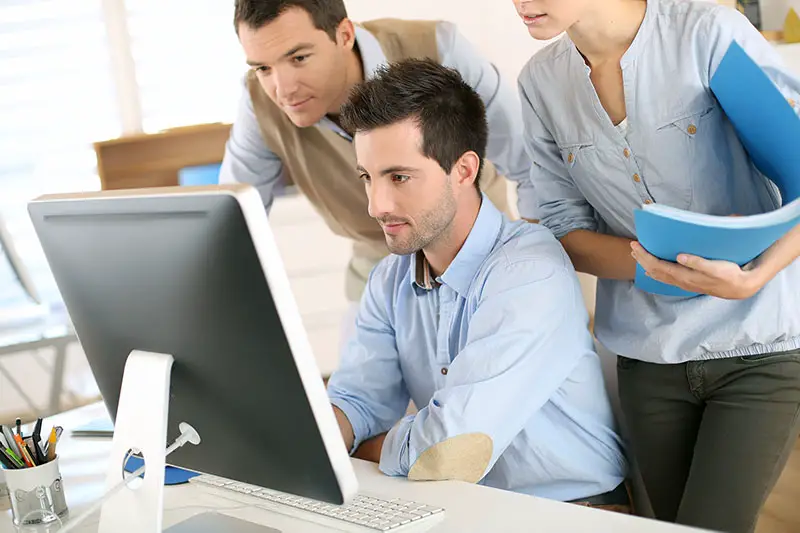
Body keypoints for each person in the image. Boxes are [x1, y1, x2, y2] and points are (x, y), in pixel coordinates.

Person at [514, 0, 800, 530]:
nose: (521, 3)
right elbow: (562, 229)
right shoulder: (540, 81)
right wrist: (661, 266)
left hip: (761, 345)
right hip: (649, 362)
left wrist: (755, 275)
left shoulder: (705, 33)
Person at [325, 58, 629, 510]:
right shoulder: (390, 279)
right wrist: (322, 433)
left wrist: (366, 448)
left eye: (399, 177)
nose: (376, 205)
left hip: (574, 513)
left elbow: (451, 449)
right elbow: (355, 399)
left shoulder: (529, 270)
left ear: (464, 170)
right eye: (368, 177)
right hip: (466, 509)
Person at [221, 0, 530, 318]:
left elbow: (532, 165)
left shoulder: (439, 48)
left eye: (299, 58)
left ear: (344, 35)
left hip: (481, 262)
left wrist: (532, 269)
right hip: (377, 280)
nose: (282, 89)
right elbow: (229, 222)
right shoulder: (258, 102)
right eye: (263, 68)